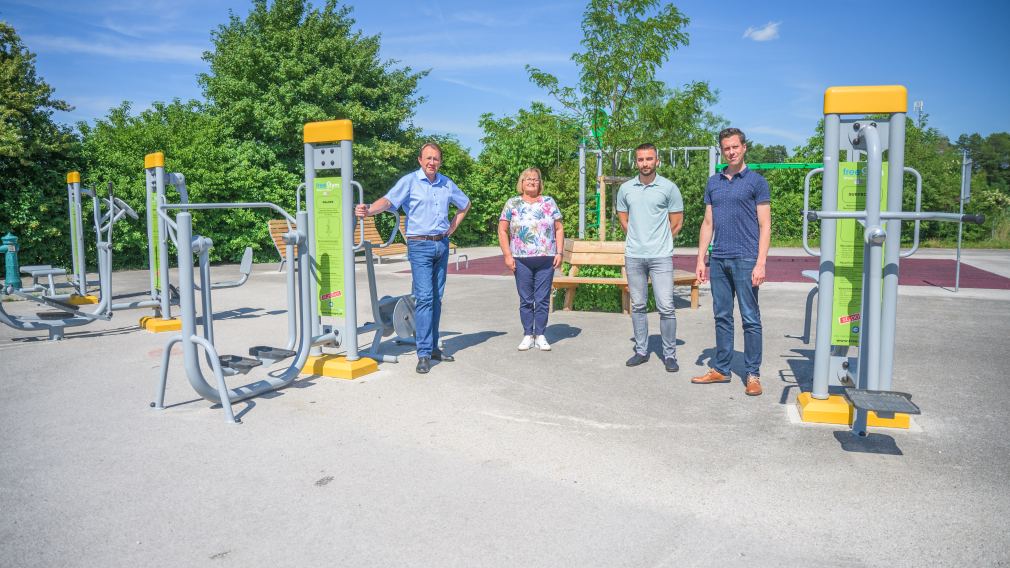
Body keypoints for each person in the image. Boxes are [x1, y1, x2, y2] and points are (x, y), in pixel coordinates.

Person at [355, 142, 470, 375]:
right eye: (428, 158)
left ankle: (434, 347)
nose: (432, 162)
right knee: (425, 298)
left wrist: (452, 228)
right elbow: (388, 201)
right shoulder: (410, 181)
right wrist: (368, 209)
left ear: (440, 161)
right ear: (420, 160)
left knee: (437, 298)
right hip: (419, 246)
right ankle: (424, 353)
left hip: (441, 244)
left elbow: (465, 204)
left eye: (436, 159)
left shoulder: (446, 183)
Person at [691, 127, 771, 396]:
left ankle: (752, 374)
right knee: (722, 316)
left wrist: (761, 263)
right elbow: (707, 222)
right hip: (720, 259)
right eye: (726, 148)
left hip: (747, 259)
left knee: (750, 318)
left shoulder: (757, 182)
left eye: (735, 146)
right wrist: (701, 259)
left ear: (744, 147)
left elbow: (765, 225)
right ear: (721, 150)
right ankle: (722, 369)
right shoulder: (714, 182)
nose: (731, 151)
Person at [616, 143, 684, 373]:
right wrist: (638, 239)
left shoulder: (669, 188)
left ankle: (669, 354)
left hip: (661, 256)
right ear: (636, 162)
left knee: (666, 306)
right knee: (638, 305)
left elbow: (677, 222)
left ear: (657, 160)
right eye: (641, 159)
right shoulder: (626, 189)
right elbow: (623, 220)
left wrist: (660, 240)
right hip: (634, 255)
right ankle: (641, 351)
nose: (645, 163)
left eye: (649, 159)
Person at [497, 167, 564, 351]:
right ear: (522, 182)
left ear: (540, 183)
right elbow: (502, 230)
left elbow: (558, 228)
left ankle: (540, 334)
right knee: (526, 299)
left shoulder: (549, 202)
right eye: (528, 179)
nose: (532, 182)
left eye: (535, 179)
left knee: (542, 299)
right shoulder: (512, 203)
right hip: (521, 258)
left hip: (546, 257)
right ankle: (528, 334)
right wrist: (507, 255)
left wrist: (559, 252)